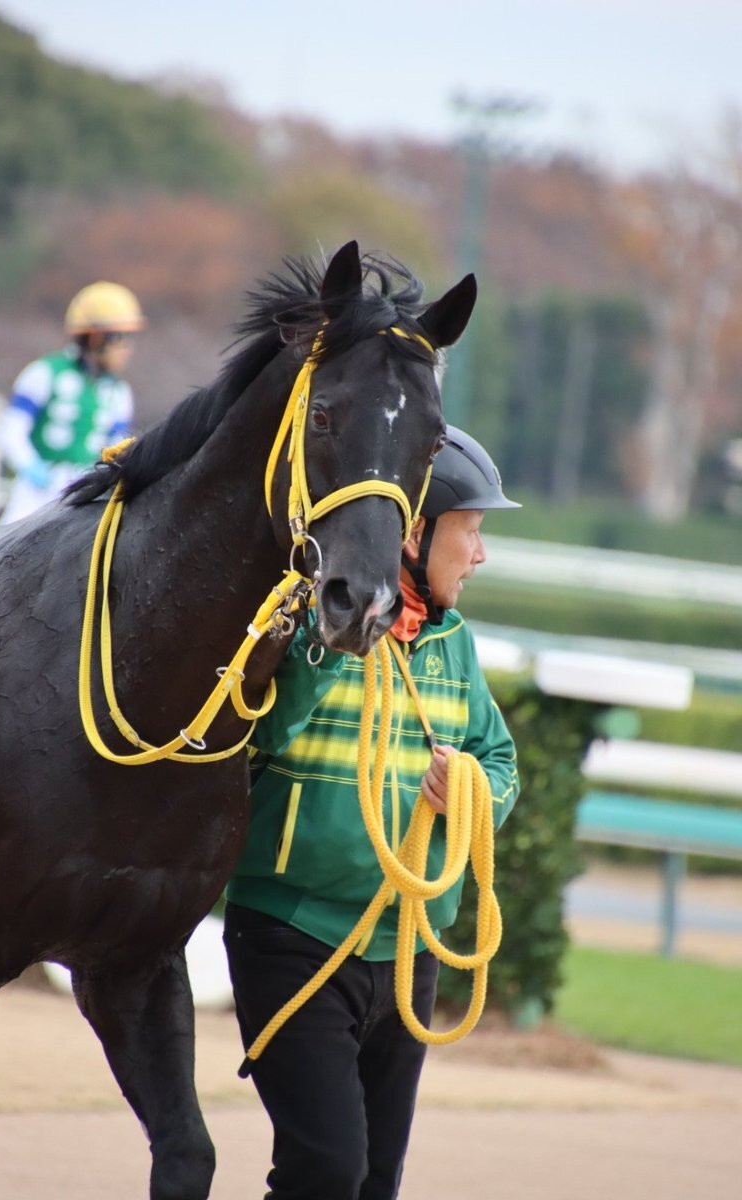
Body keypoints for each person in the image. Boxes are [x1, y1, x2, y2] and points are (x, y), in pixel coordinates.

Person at [223, 426, 521, 1200]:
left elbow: (501, 762)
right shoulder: (309, 626)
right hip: (294, 937)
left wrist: (474, 796)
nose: (481, 556)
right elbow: (256, 735)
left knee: (374, 1184)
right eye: (474, 533)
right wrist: (335, 638)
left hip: (410, 948)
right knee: (326, 1172)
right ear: (416, 533)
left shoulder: (455, 644)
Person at [0, 281, 145, 523]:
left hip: (84, 491)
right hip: (35, 493)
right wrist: (34, 469)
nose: (127, 349)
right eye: (122, 338)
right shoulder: (44, 373)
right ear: (97, 338)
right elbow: (11, 431)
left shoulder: (120, 393)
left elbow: (117, 448)